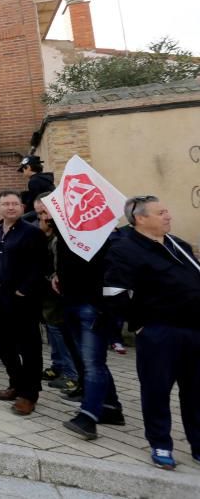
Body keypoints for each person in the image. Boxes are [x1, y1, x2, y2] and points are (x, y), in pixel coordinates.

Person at [104, 195, 200, 470]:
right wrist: (137, 323)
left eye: (166, 210)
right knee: (157, 391)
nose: (168, 215)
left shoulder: (178, 245)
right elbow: (114, 293)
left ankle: (198, 443)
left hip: (194, 330)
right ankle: (160, 443)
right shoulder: (124, 249)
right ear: (140, 218)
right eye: (161, 212)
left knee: (196, 391)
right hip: (159, 333)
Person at [42, 197, 124, 442]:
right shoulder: (66, 234)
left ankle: (88, 417)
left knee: (92, 364)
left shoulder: (103, 236)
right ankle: (111, 407)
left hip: (92, 307)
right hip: (71, 303)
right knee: (90, 360)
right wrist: (58, 275)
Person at [0, 190, 49, 416]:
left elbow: (41, 265)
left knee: (29, 348)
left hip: (23, 301)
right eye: (5, 204)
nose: (10, 207)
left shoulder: (32, 233)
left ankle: (29, 395)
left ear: (22, 208)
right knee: (4, 346)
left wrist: (24, 290)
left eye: (15, 204)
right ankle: (16, 384)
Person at [33, 196, 78, 393]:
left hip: (58, 297)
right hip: (47, 297)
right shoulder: (46, 236)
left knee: (60, 332)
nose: (41, 218)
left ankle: (70, 374)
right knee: (53, 331)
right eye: (38, 214)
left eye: (44, 213)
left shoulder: (60, 239)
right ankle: (58, 365)